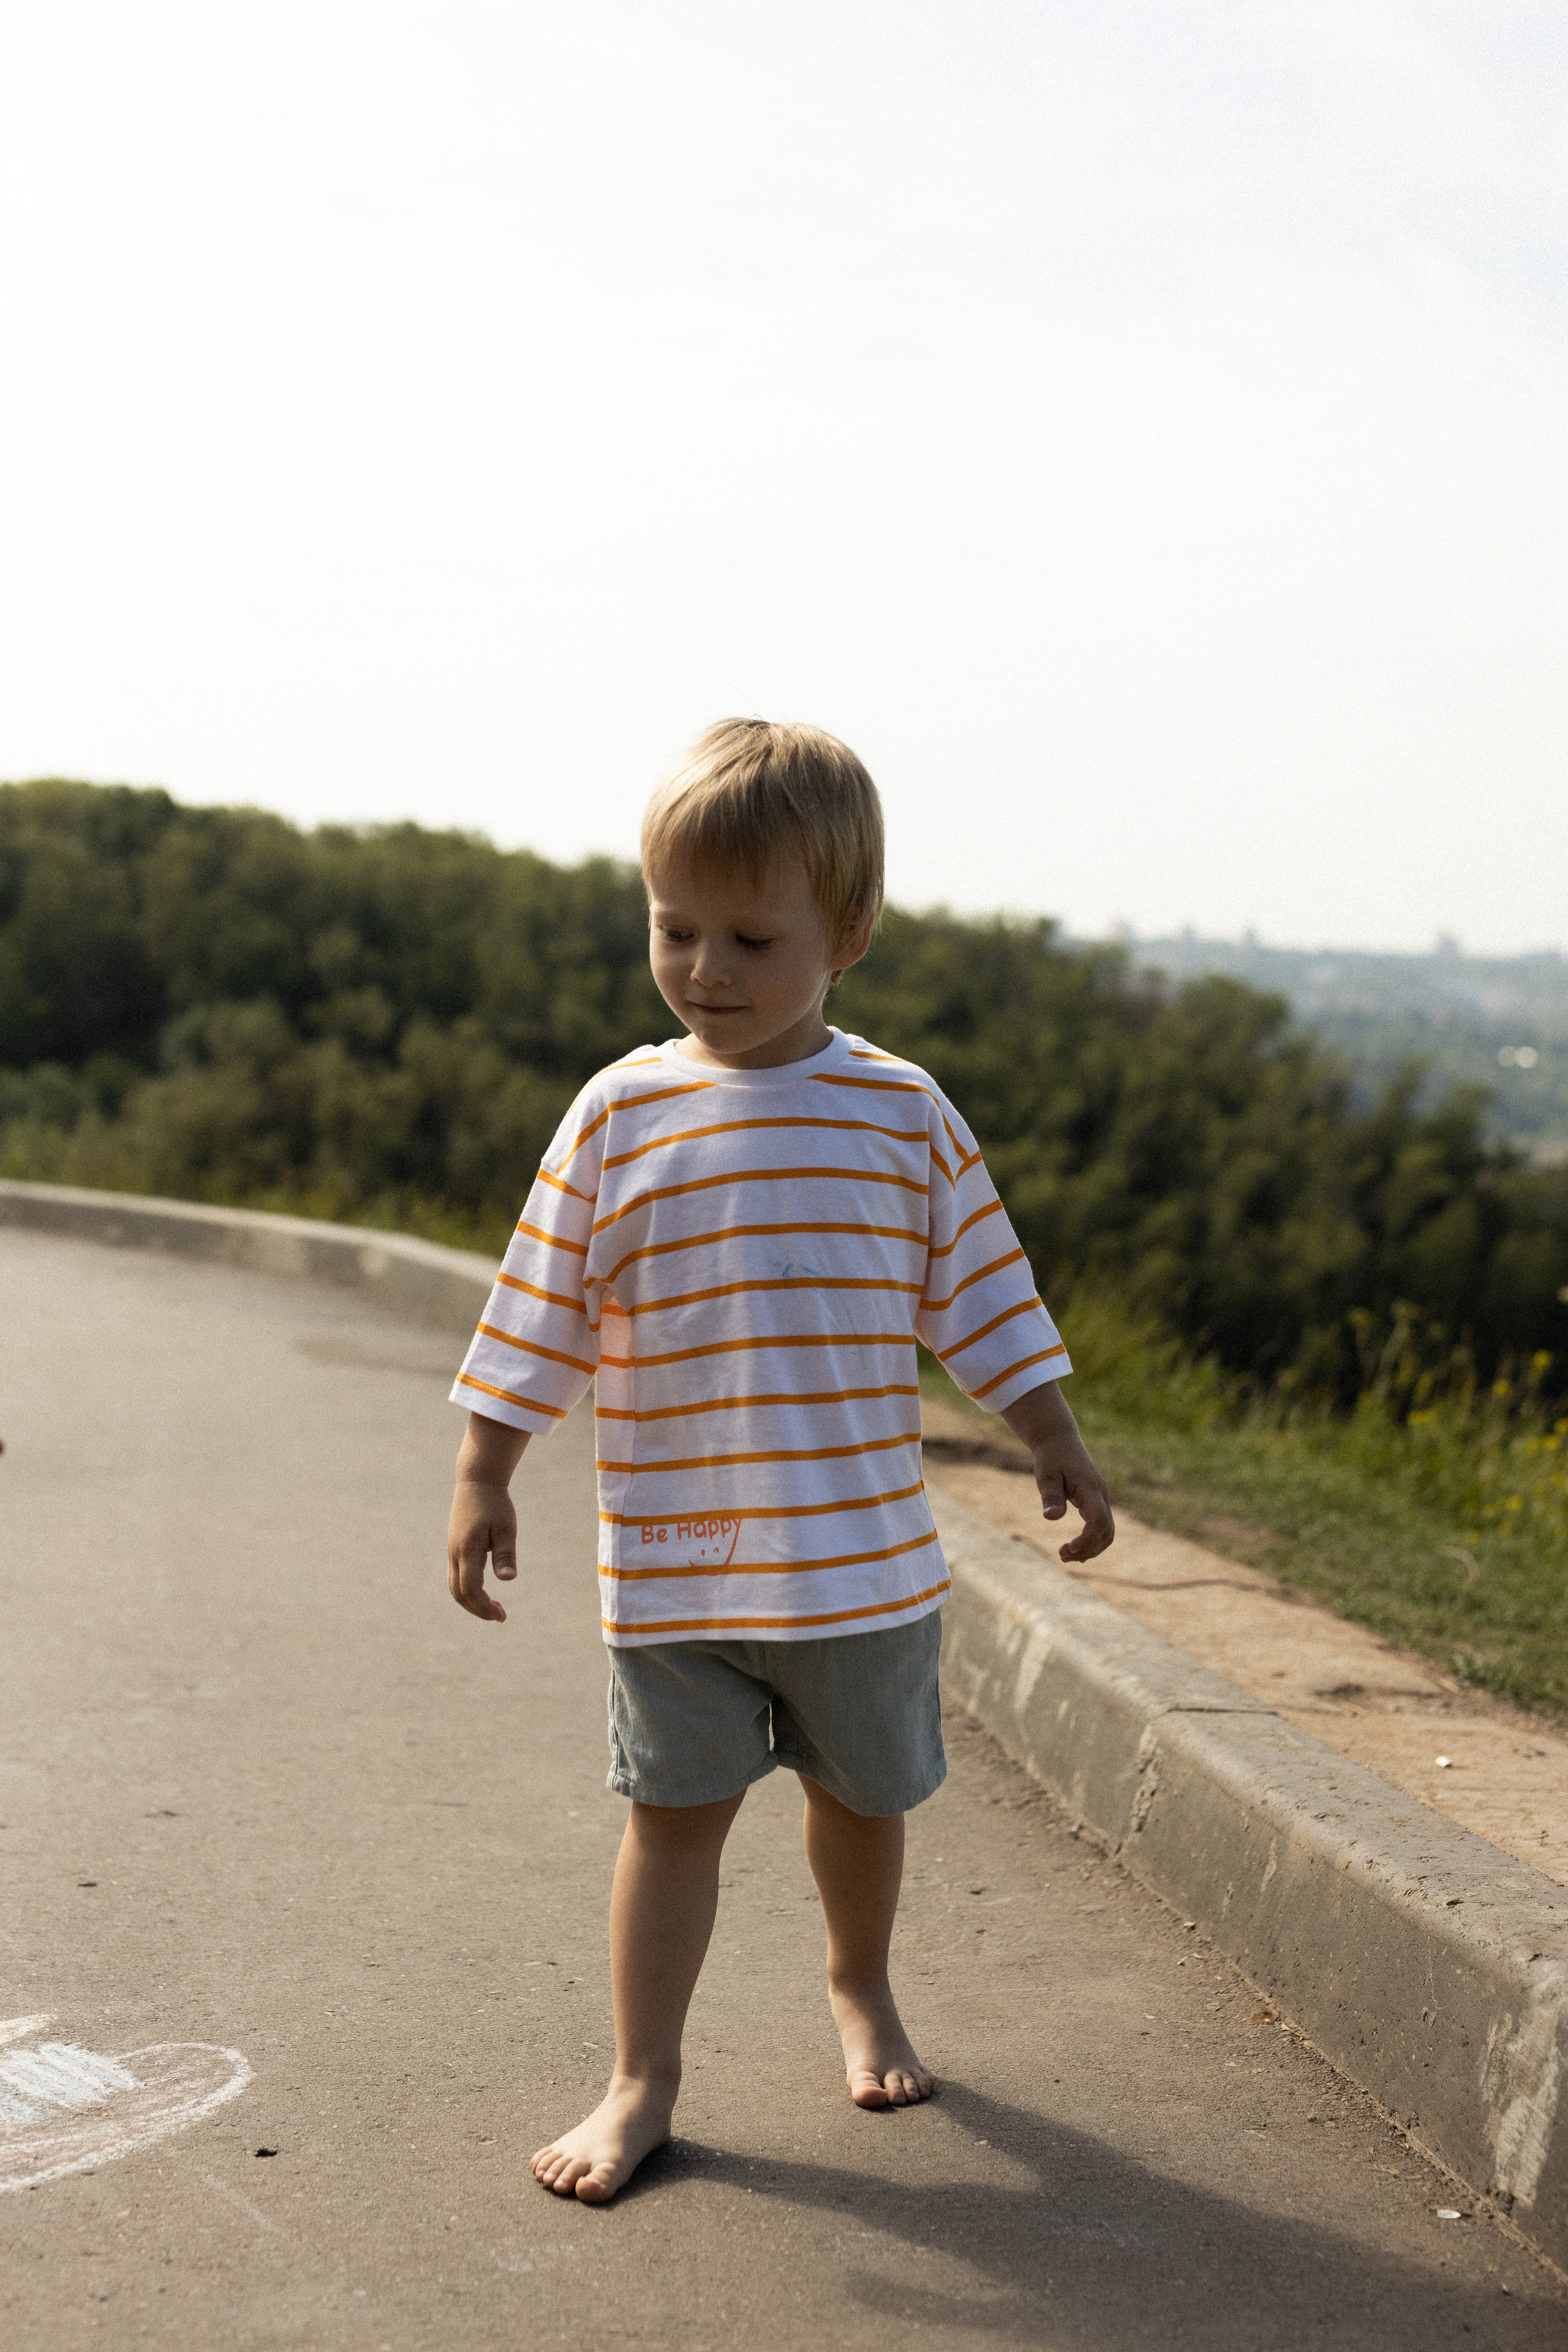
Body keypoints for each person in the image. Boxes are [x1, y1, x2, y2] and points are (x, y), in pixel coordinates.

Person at [444, 718, 1115, 2203]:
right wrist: (487, 1467)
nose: (704, 970)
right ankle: (640, 2082)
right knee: (668, 1822)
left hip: (862, 1570)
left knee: (860, 1804)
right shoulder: (619, 1113)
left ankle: (857, 1985)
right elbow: (538, 1297)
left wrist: (1052, 1437)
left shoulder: (899, 1114)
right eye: (673, 929)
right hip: (677, 1573)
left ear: (847, 934)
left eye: (750, 936)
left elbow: (985, 1293)